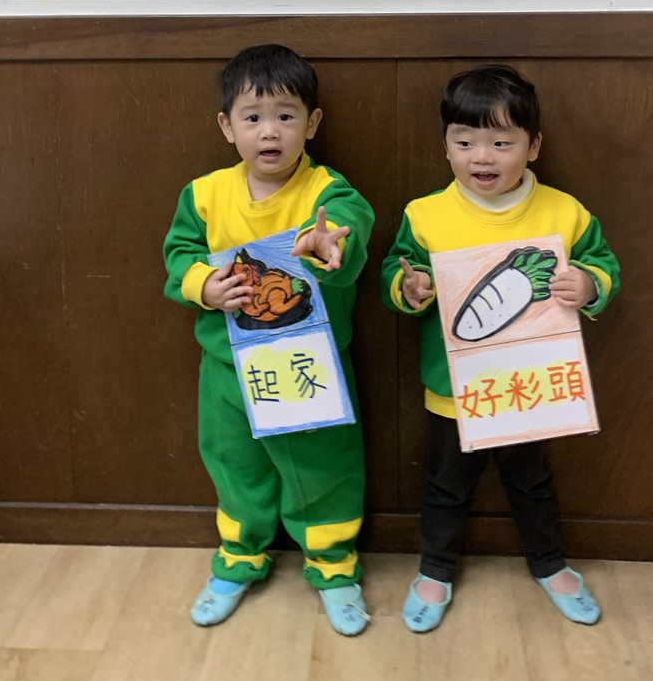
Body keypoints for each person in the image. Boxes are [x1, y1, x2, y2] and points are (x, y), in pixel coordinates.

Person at [381, 63, 620, 633]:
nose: (481, 157)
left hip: (532, 389)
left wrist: (589, 284)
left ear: (533, 146)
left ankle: (550, 562)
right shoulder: (425, 215)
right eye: (464, 142)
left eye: (501, 142)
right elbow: (396, 271)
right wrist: (409, 289)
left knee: (531, 481)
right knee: (446, 485)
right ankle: (436, 568)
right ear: (445, 145)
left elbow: (603, 264)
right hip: (455, 390)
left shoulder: (564, 212)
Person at [163, 43, 374, 636]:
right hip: (229, 368)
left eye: (286, 115)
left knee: (323, 467)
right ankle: (238, 557)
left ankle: (334, 566)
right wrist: (204, 285)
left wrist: (332, 244)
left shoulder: (327, 191)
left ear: (313, 123)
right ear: (227, 127)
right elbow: (178, 255)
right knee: (235, 463)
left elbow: (351, 224)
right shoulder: (204, 194)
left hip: (310, 364)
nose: (270, 131)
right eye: (252, 117)